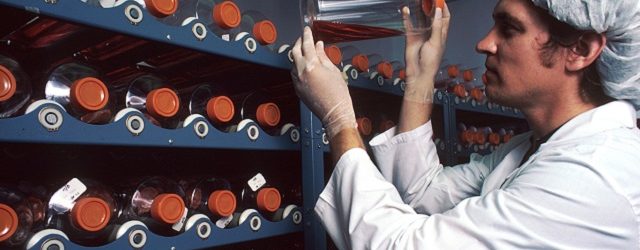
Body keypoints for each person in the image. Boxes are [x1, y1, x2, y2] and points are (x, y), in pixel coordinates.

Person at [292, 0, 640, 248]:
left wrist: (339, 121)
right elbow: (421, 194)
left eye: (510, 28)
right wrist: (421, 78)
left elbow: (401, 245)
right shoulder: (527, 149)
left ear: (580, 49)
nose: (484, 43)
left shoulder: (594, 174)